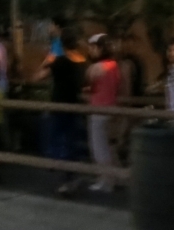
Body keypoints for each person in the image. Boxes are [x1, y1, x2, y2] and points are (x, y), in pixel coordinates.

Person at [37, 27, 87, 195]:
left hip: (59, 106)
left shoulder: (60, 61)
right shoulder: (82, 61)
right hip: (75, 105)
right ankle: (71, 175)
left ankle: (65, 177)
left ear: (63, 44)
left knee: (58, 140)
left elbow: (39, 76)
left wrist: (48, 59)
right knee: (71, 141)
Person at [86, 33, 121, 193]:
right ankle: (113, 178)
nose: (91, 50)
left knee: (99, 147)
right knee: (109, 146)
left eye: (93, 47)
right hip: (111, 107)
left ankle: (105, 181)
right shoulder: (114, 65)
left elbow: (89, 80)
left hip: (99, 109)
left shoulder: (97, 67)